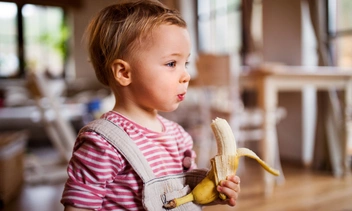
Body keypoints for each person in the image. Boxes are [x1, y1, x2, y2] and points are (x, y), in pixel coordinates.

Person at [61, 0, 241, 210]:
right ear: (124, 73)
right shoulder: (101, 143)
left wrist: (215, 191)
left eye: (186, 63)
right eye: (171, 64)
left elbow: (186, 194)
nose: (186, 75)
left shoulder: (179, 137)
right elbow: (79, 206)